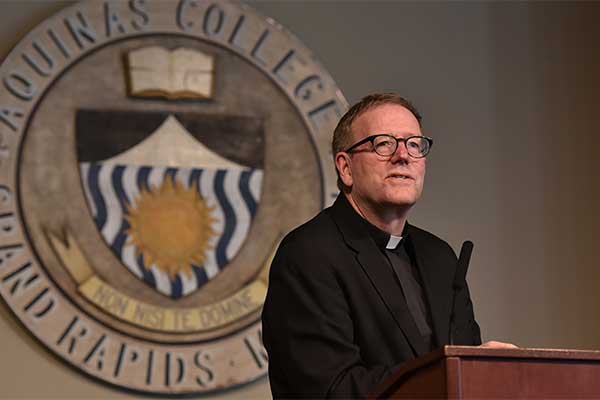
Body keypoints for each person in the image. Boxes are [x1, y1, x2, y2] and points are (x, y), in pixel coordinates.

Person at [262, 93, 509, 399]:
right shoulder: (307, 255)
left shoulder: (440, 258)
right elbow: (331, 389)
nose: (403, 156)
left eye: (414, 144)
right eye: (383, 143)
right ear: (346, 168)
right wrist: (445, 375)